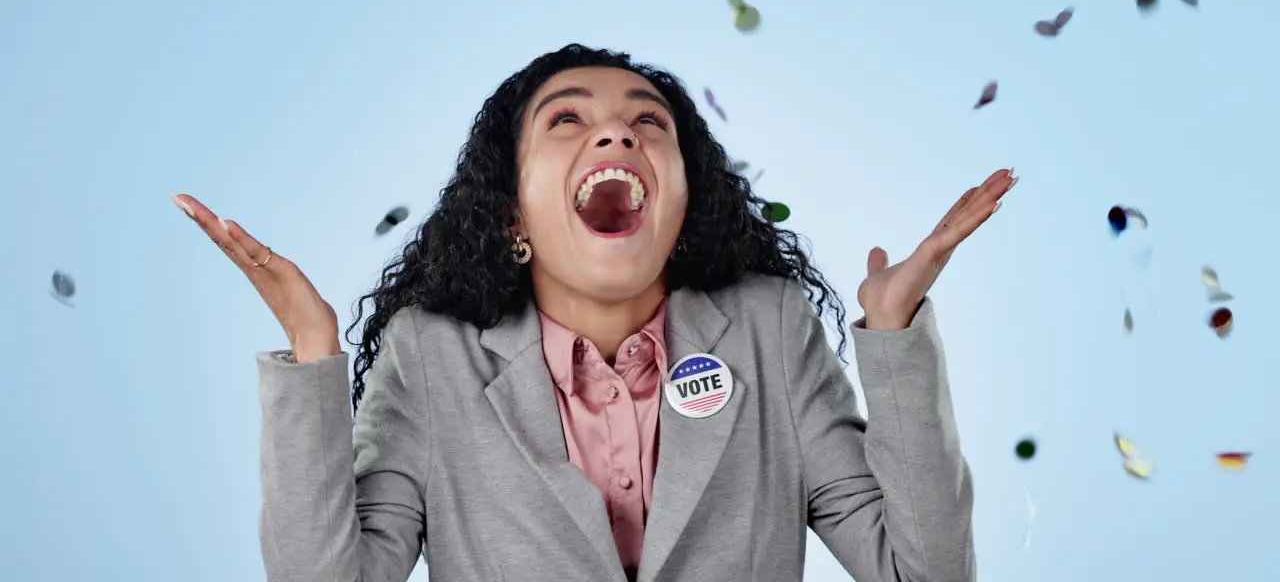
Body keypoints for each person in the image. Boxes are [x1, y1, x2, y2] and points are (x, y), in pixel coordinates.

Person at [174, 44, 1013, 582]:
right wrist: (315, 355)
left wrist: (895, 337)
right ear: (513, 214)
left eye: (648, 123)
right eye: (567, 118)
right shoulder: (430, 359)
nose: (616, 136)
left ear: (685, 206)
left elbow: (925, 574)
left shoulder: (769, 329)